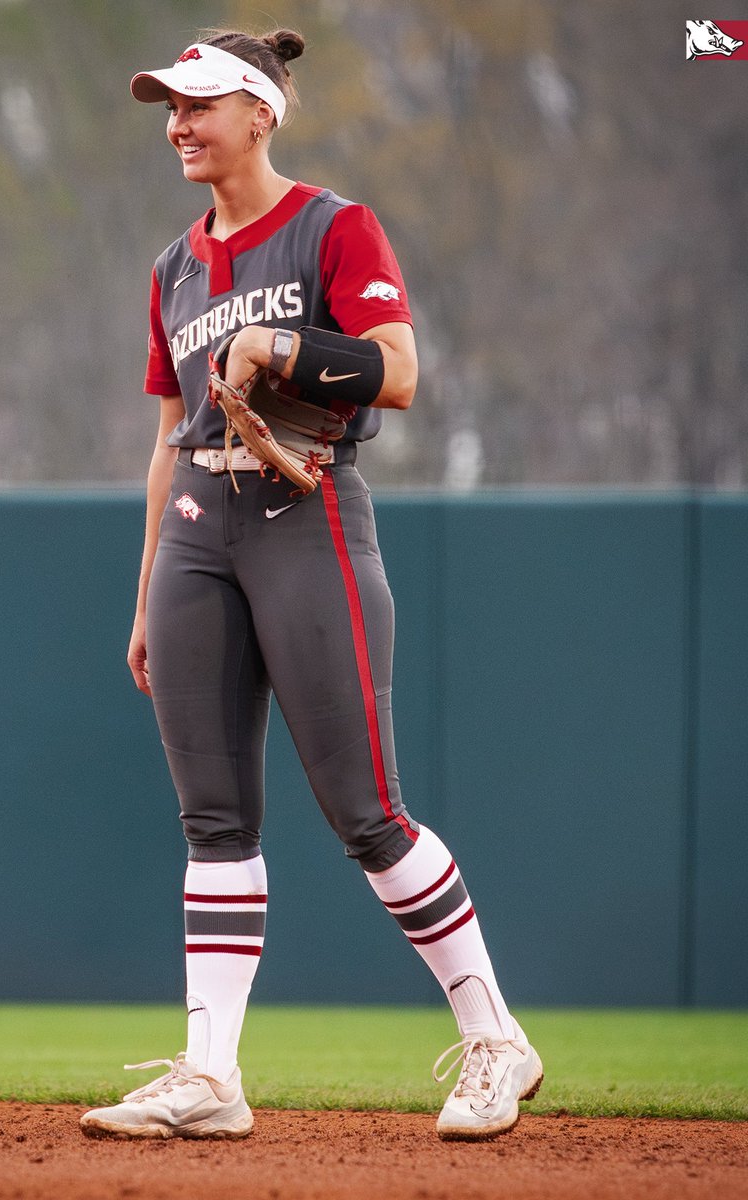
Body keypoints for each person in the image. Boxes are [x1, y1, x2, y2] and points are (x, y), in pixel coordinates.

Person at [80, 27, 542, 1144]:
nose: (179, 124)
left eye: (199, 104)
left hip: (304, 515)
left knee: (364, 810)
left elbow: (400, 372)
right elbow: (162, 439)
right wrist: (147, 589)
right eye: (170, 107)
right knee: (214, 820)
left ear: (261, 113)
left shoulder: (335, 226)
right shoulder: (173, 266)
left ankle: (496, 1039)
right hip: (197, 525)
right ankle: (210, 1074)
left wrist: (283, 350)